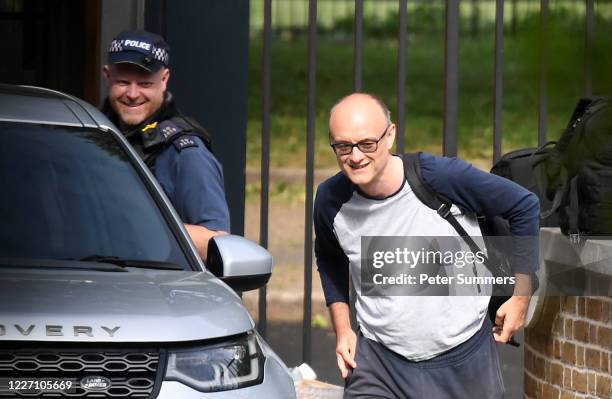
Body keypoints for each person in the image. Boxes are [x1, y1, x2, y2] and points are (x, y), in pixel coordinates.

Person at [314, 93, 539, 398]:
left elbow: (524, 205)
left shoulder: (438, 177)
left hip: (464, 357)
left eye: (368, 144)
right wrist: (343, 330)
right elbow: (330, 259)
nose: (355, 156)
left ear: (390, 134)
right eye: (343, 146)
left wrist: (521, 295)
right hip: (380, 364)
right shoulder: (331, 200)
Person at [101, 29, 230, 260]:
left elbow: (217, 241)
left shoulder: (187, 153)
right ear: (107, 76)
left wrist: (138, 228)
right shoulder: (90, 136)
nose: (132, 93)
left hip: (154, 285)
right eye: (123, 82)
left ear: (164, 79)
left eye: (144, 83)